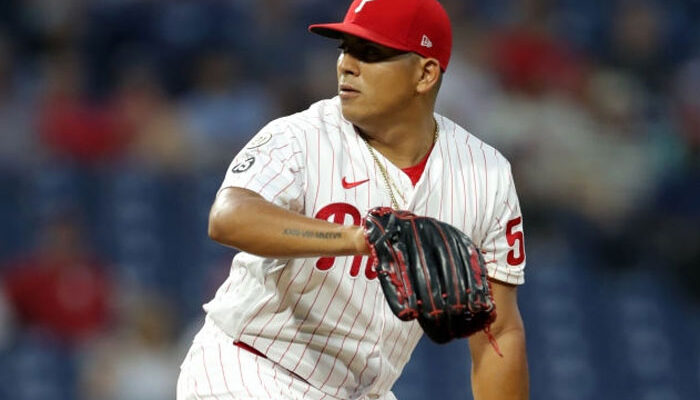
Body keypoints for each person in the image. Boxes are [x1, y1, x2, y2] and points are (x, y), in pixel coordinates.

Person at [177, 1, 528, 399]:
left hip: (362, 392)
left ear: (425, 74)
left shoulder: (486, 175)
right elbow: (228, 217)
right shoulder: (301, 136)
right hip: (252, 365)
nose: (346, 65)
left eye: (370, 52)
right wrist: (358, 239)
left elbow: (499, 331)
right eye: (345, 48)